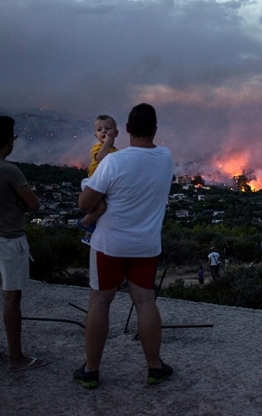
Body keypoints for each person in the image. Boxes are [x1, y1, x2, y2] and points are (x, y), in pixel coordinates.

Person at [73, 103, 174, 389]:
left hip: (109, 245)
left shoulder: (113, 162)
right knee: (145, 302)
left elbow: (85, 203)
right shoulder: (166, 157)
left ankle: (91, 371)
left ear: (126, 129)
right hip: (146, 245)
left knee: (100, 302)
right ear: (155, 130)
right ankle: (154, 366)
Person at [0, 116, 46, 371]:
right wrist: (20, 203)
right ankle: (16, 358)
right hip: (8, 239)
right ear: (8, 140)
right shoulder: (8, 169)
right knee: (11, 298)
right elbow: (34, 204)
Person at [77, 115, 119, 245]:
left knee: (104, 211)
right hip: (93, 183)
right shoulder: (97, 147)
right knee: (101, 208)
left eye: (108, 128)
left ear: (116, 133)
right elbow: (101, 158)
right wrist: (107, 142)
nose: (104, 132)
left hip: (105, 185)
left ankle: (89, 236)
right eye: (100, 130)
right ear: (96, 135)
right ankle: (83, 223)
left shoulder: (116, 151)